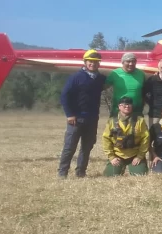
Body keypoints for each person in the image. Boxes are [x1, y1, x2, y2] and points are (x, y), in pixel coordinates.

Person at [58, 49, 107, 178]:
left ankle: (81, 172)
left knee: (87, 147)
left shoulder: (100, 79)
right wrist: (69, 114)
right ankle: (62, 173)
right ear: (85, 62)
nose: (93, 64)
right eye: (90, 61)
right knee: (69, 147)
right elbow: (64, 96)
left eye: (96, 62)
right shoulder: (75, 77)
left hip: (92, 118)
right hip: (76, 118)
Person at [101, 96, 149, 176]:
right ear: (119, 106)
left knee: (141, 175)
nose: (127, 106)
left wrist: (140, 156)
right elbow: (106, 139)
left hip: (134, 154)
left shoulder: (140, 120)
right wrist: (111, 157)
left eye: (129, 104)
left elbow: (146, 138)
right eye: (124, 104)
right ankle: (119, 167)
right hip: (118, 154)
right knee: (109, 176)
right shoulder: (111, 121)